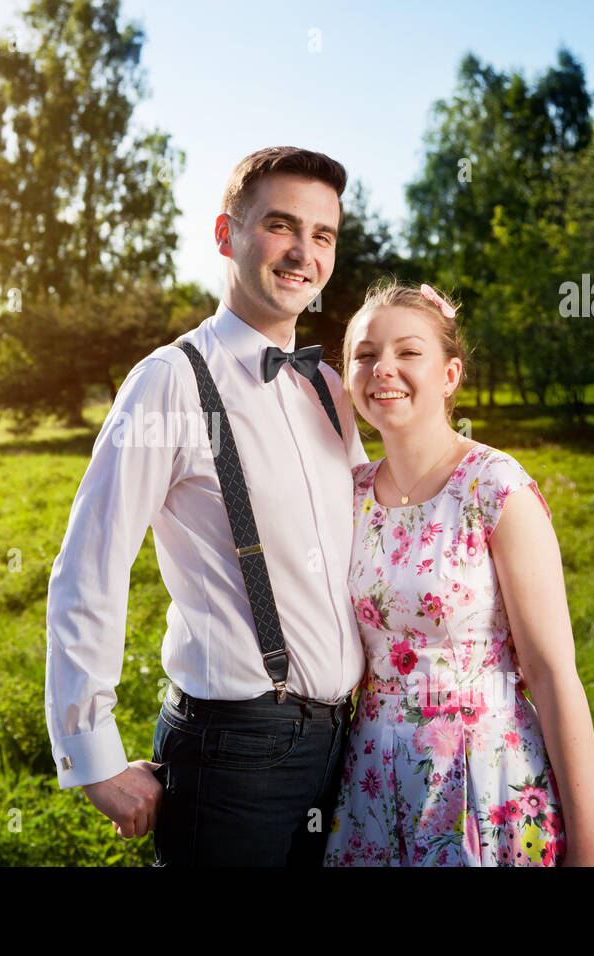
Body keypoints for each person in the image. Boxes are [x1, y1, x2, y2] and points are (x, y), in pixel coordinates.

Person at [44, 146, 369, 866]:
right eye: (281, 226)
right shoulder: (169, 381)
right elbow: (88, 566)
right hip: (234, 756)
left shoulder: (329, 388)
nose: (303, 253)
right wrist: (94, 756)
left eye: (323, 236)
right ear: (227, 236)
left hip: (345, 747)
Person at [323, 279, 594, 866]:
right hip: (373, 784)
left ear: (451, 375)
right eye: (365, 354)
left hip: (484, 773)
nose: (383, 367)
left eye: (408, 352)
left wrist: (588, 848)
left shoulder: (495, 487)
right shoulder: (347, 494)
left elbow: (554, 674)